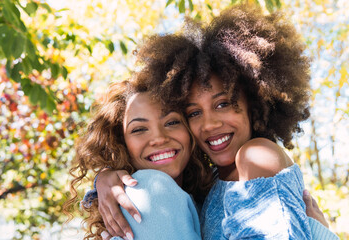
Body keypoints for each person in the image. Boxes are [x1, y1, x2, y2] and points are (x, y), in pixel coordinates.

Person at [90, 4, 339, 240]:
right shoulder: (207, 186)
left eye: (223, 104)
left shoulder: (256, 156)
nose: (209, 125)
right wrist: (104, 178)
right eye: (194, 113)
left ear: (254, 103)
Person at [64, 78, 213, 240]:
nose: (159, 138)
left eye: (172, 122)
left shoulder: (200, 193)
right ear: (121, 143)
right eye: (139, 129)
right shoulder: (150, 189)